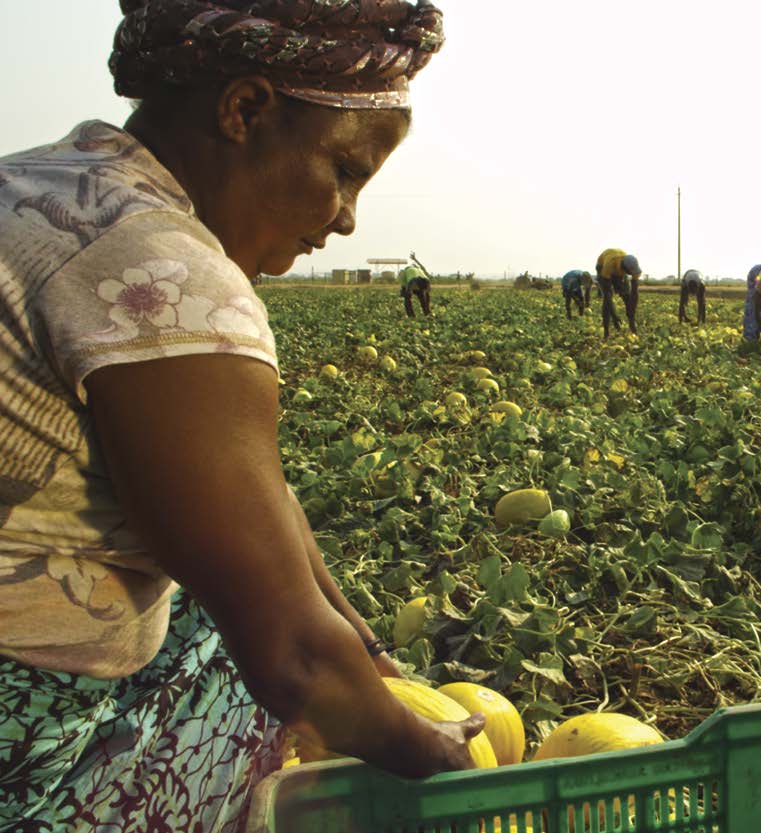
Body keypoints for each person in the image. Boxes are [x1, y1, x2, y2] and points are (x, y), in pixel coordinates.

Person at [0, 3, 485, 832]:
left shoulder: (38, 182)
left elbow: (251, 507)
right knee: (270, 693)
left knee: (227, 600)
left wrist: (364, 648)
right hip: (20, 749)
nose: (345, 218)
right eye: (345, 171)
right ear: (245, 109)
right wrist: (441, 761)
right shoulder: (166, 274)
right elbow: (296, 662)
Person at [595, 248, 643, 338]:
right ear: (623, 268)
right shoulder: (609, 265)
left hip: (618, 268)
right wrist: (614, 316)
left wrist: (631, 314)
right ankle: (606, 332)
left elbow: (634, 293)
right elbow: (608, 297)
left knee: (627, 296)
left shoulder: (635, 270)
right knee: (607, 296)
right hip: (602, 266)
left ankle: (633, 329)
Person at [400, 251, 433, 317]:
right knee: (424, 298)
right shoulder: (419, 269)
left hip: (414, 281)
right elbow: (423, 267)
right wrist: (415, 259)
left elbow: (403, 285)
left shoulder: (405, 271)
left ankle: (411, 316)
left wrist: (404, 292)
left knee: (407, 298)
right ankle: (428, 313)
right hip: (426, 282)